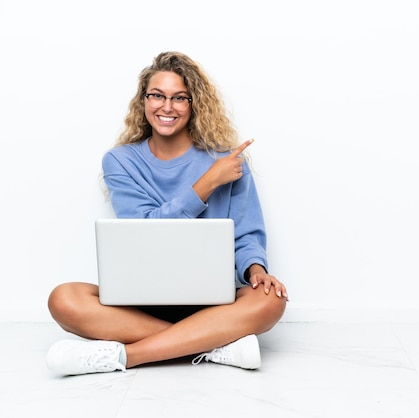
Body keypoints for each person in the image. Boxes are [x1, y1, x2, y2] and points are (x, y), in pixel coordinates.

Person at [46, 51, 288, 375]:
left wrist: (257, 270)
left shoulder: (226, 162)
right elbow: (145, 228)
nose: (167, 107)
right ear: (144, 101)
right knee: (63, 299)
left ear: (194, 104)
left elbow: (246, 233)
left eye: (179, 98)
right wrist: (206, 184)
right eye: (157, 95)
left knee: (271, 300)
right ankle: (215, 345)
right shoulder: (120, 162)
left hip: (212, 302)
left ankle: (126, 356)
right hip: (140, 302)